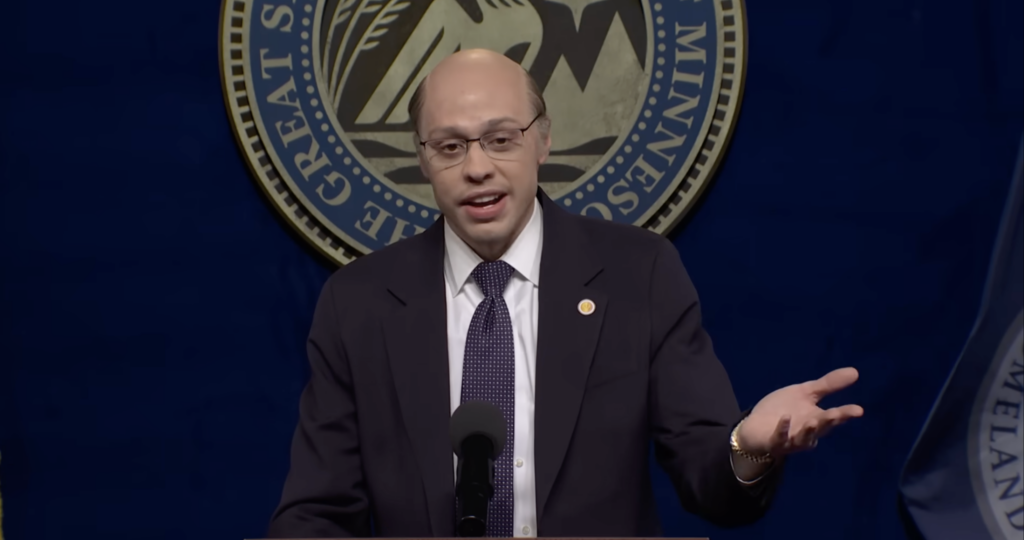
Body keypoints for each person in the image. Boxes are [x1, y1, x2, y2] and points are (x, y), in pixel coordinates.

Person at [266, 49, 863, 538]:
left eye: (501, 139)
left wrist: (748, 447)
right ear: (423, 160)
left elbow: (710, 483)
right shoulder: (359, 303)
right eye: (450, 146)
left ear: (543, 141)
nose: (477, 167)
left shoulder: (638, 274)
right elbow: (317, 512)